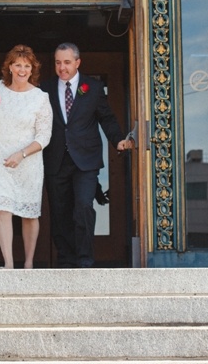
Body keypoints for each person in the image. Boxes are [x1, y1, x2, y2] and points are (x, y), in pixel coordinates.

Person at [42, 42, 132, 268]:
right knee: (59, 212)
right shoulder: (44, 89)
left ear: (78, 62)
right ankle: (65, 259)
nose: (62, 67)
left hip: (86, 160)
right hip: (55, 160)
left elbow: (107, 118)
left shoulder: (93, 87)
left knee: (83, 207)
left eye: (67, 62)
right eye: (58, 63)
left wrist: (118, 140)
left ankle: (84, 260)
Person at [0, 44, 52, 269]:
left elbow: (44, 136)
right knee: (2, 208)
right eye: (18, 65)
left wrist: (22, 154)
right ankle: (8, 264)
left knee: (29, 212)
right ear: (9, 67)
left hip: (28, 161)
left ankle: (28, 263)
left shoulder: (40, 97)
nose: (22, 70)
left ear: (32, 69)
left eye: (27, 66)